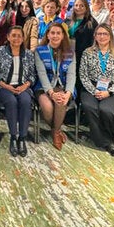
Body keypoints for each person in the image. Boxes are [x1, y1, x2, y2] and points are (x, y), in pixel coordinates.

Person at [79, 24, 114, 156]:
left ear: (110, 36)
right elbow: (83, 75)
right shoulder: (87, 52)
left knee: (106, 110)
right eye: (99, 34)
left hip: (113, 89)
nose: (102, 37)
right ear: (95, 36)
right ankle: (107, 142)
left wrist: (109, 92)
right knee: (90, 107)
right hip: (91, 87)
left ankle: (111, 136)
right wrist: (94, 90)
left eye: (105, 34)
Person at [0, 26, 36, 157]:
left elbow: (33, 75)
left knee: (25, 101)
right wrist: (5, 85)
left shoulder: (28, 54)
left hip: (23, 87)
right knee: (11, 102)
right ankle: (13, 137)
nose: (16, 38)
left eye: (19, 36)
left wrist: (26, 85)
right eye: (13, 35)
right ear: (8, 37)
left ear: (23, 39)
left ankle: (22, 138)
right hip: (4, 87)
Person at [35, 22, 76, 150]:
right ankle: (56, 130)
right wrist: (51, 93)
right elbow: (41, 74)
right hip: (44, 86)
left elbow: (71, 74)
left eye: (58, 33)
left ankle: (55, 133)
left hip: (63, 86)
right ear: (47, 35)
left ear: (63, 35)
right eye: (52, 33)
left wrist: (68, 93)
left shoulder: (70, 52)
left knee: (61, 100)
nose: (55, 36)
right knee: (47, 108)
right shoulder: (39, 51)